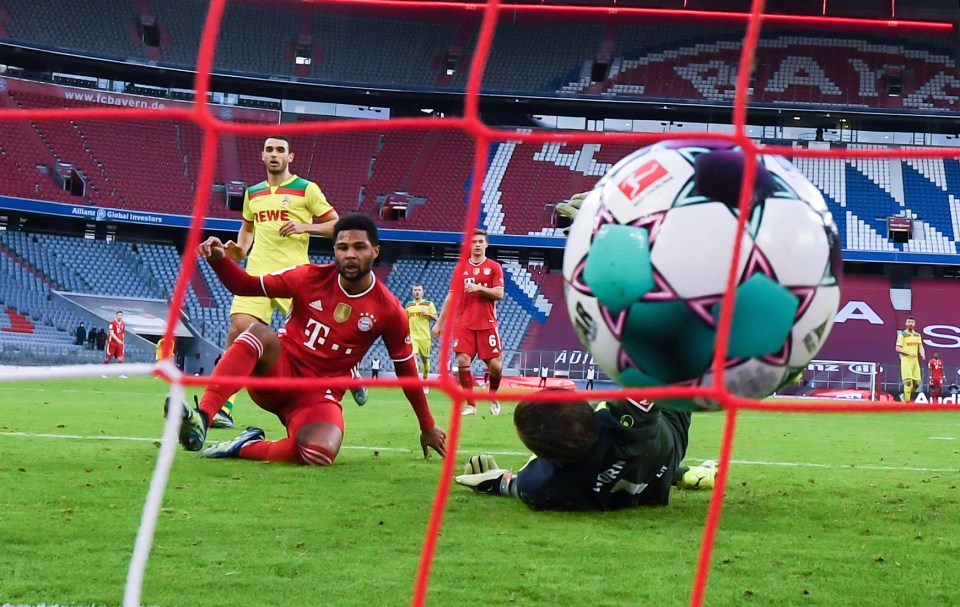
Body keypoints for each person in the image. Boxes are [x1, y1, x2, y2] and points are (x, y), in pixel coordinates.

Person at [169, 213, 446, 465]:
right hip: (279, 375)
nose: (350, 255)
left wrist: (427, 425)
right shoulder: (308, 276)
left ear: (375, 251)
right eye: (343, 247)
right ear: (334, 250)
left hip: (318, 396)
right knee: (257, 332)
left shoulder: (389, 310)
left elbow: (405, 369)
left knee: (320, 453)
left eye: (359, 247)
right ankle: (202, 418)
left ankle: (244, 447)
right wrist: (220, 260)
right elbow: (245, 285)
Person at [215, 135, 354, 430]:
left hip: (295, 276)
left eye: (280, 150)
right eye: (269, 150)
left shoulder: (307, 189)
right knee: (239, 328)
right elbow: (248, 227)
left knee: (320, 338)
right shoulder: (253, 194)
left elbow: (338, 225)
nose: (274, 154)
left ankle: (346, 372)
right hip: (257, 272)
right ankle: (224, 407)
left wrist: (306, 226)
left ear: (291, 157)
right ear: (262, 156)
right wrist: (240, 249)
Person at [455, 390, 717, 510]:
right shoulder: (624, 414)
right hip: (667, 443)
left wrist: (494, 481)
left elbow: (512, 486)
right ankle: (680, 472)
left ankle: (680, 474)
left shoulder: (539, 484)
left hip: (644, 484)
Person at [432, 229, 504, 416]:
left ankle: (492, 395)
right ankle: (471, 404)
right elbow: (451, 297)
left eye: (481, 241)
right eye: (474, 242)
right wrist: (439, 323)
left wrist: (479, 287)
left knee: (496, 366)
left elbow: (499, 294)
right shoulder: (460, 269)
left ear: (486, 244)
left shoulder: (494, 267)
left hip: (487, 323)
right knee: (463, 360)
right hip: (463, 323)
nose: (477, 244)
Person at [405, 283, 437, 394]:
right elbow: (405, 319)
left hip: (425, 337)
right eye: (415, 290)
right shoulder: (408, 305)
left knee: (425, 361)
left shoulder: (428, 304)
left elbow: (436, 317)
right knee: (413, 360)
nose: (417, 292)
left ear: (422, 292)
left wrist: (427, 313)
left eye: (419, 290)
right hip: (413, 336)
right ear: (412, 292)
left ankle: (425, 380)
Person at [896, 315, 925, 402]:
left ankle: (904, 396)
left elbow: (920, 346)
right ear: (906, 324)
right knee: (908, 382)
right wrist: (909, 353)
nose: (910, 324)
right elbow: (897, 348)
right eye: (909, 322)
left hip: (915, 361)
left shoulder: (917, 335)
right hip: (906, 360)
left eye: (912, 322)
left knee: (917, 383)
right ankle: (907, 403)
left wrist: (922, 353)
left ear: (914, 324)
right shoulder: (902, 335)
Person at [102, 311, 125, 377]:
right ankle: (103, 372)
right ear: (116, 315)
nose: (120, 316)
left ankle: (120, 373)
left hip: (120, 344)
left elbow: (122, 334)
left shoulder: (123, 325)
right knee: (108, 358)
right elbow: (111, 333)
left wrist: (123, 342)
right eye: (119, 315)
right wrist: (118, 340)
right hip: (112, 343)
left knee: (120, 358)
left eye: (121, 315)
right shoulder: (112, 323)